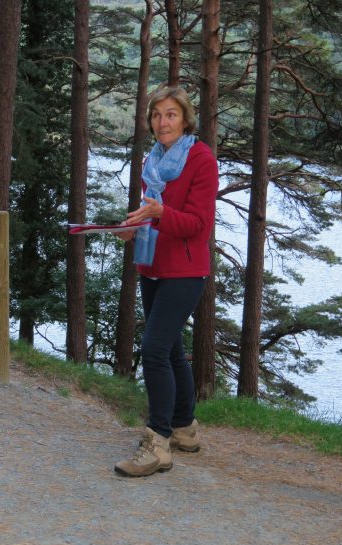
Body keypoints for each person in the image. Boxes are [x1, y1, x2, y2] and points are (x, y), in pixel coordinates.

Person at [114, 86, 218, 477]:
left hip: (186, 270)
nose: (162, 122)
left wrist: (159, 213)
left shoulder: (202, 159)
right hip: (151, 265)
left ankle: (158, 442)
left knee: (154, 350)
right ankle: (185, 428)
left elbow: (198, 225)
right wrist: (132, 227)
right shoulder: (152, 160)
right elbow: (151, 215)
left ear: (185, 119)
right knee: (171, 351)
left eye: (171, 114)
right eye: (157, 115)